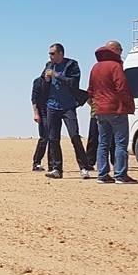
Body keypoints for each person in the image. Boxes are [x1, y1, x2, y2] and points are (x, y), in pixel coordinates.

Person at [88, 40, 136, 184]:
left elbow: (90, 90)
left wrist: (94, 105)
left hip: (100, 110)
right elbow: (122, 87)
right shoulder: (116, 66)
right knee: (121, 143)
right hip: (116, 109)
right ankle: (120, 174)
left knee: (103, 143)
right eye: (120, 50)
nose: (121, 53)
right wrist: (128, 105)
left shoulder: (95, 67)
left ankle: (102, 174)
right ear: (115, 50)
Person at [43, 43, 92, 180]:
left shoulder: (72, 65)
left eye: (52, 53)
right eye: (49, 54)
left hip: (68, 106)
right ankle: (57, 169)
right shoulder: (48, 65)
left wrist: (56, 75)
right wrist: (46, 80)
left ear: (60, 53)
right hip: (52, 106)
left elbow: (73, 82)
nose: (50, 56)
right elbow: (43, 83)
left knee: (74, 135)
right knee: (53, 138)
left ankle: (84, 168)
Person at [30, 71, 50, 171]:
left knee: (53, 138)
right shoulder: (38, 81)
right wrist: (36, 113)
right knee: (44, 137)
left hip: (53, 111)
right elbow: (34, 99)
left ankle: (53, 164)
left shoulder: (55, 82)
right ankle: (36, 163)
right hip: (42, 112)